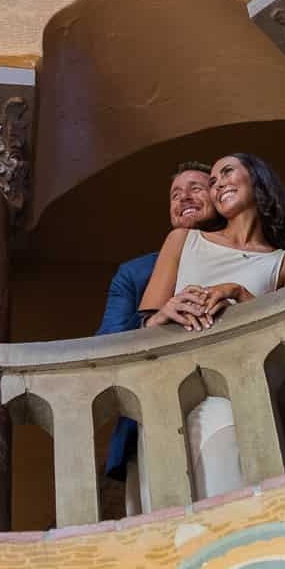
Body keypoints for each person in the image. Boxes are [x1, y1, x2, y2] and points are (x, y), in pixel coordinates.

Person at [134, 153, 285, 503]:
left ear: (256, 179)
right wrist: (165, 312)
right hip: (172, 391)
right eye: (212, 181)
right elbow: (143, 329)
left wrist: (240, 294)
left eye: (227, 172)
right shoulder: (183, 240)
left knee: (233, 500)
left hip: (240, 393)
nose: (219, 184)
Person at [94, 161, 218, 500]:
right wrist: (153, 321)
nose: (184, 198)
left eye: (196, 188)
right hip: (151, 419)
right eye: (175, 195)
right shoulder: (135, 272)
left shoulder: (249, 253)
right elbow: (105, 344)